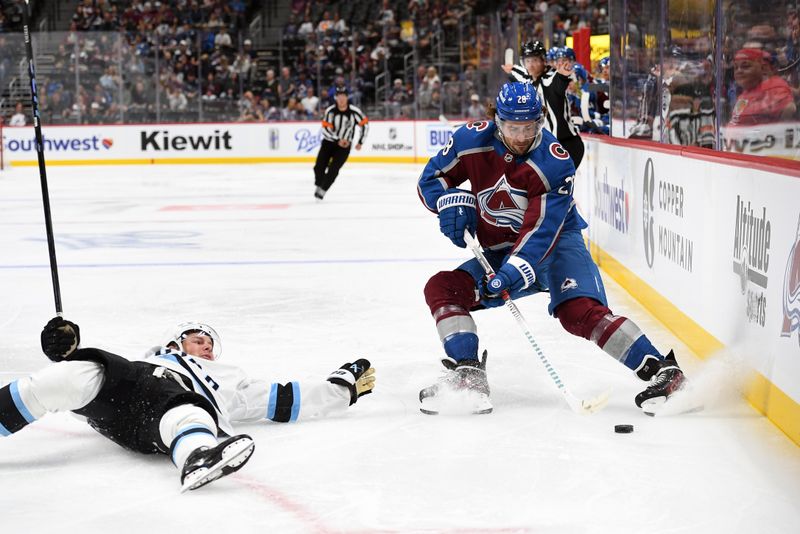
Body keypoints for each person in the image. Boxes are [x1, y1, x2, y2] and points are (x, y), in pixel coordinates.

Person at [415, 82, 686, 415]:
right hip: (500, 250)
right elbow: (431, 180)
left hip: (558, 245)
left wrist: (514, 272)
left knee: (579, 313)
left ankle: (662, 371)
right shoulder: (469, 140)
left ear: (540, 122)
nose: (520, 136)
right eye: (512, 127)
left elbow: (541, 230)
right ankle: (468, 370)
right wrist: (447, 202)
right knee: (443, 289)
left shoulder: (555, 162)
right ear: (497, 120)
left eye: (528, 127)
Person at [0, 317, 375, 491]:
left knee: (188, 411)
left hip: (154, 420)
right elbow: (85, 370)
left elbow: (287, 398)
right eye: (198, 339)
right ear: (175, 341)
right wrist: (65, 350)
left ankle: (198, 458)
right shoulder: (147, 360)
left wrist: (341, 387)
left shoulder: (229, 379)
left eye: (210, 343)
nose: (207, 346)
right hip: (125, 389)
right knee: (78, 373)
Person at [502, 41, 585, 168]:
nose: (531, 65)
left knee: (557, 185)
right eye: (528, 61)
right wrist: (510, 69)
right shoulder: (528, 79)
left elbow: (557, 83)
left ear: (543, 61)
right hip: (546, 146)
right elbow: (520, 75)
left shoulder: (550, 77)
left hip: (566, 144)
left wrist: (562, 76)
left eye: (535, 60)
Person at [313, 85, 369, 200]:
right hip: (329, 143)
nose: (341, 99)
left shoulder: (354, 112)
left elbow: (365, 125)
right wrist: (338, 140)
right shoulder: (330, 111)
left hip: (344, 146)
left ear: (347, 97)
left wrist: (360, 142)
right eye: (339, 96)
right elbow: (325, 129)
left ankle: (322, 190)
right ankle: (320, 184)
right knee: (318, 167)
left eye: (343, 96)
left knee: (334, 169)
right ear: (335, 97)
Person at [729, 47, 796, 126]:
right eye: (735, 67)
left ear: (762, 68)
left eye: (745, 66)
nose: (739, 71)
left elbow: (790, 108)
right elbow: (735, 121)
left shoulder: (774, 86)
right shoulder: (746, 92)